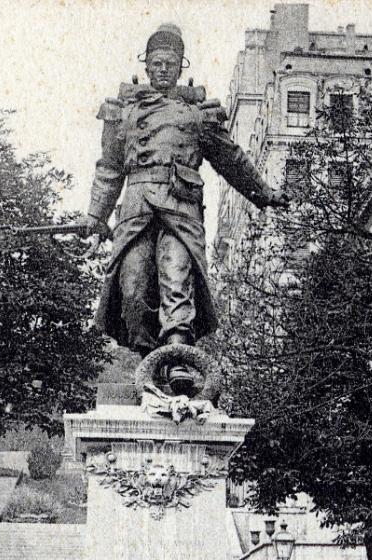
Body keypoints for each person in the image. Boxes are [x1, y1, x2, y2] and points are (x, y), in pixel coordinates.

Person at [85, 23, 289, 373]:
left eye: (170, 63)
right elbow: (109, 167)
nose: (163, 69)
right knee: (132, 289)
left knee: (177, 277)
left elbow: (231, 159)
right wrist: (95, 214)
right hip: (136, 209)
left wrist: (264, 193)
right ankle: (152, 364)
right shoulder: (124, 110)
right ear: (146, 66)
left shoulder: (199, 114)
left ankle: (178, 355)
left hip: (181, 206)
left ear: (181, 67)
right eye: (157, 63)